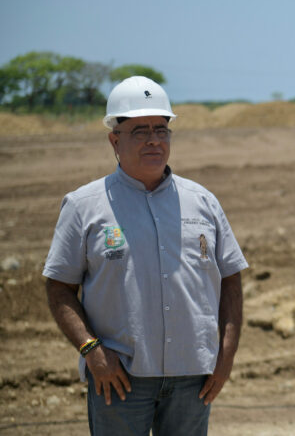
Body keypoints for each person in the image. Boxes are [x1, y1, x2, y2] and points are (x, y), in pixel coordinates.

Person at [44, 76, 248, 436]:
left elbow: (231, 279)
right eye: (140, 131)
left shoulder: (203, 202)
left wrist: (225, 357)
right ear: (114, 139)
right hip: (119, 377)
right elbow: (59, 288)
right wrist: (92, 351)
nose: (154, 139)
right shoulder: (83, 206)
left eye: (161, 129)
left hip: (192, 379)